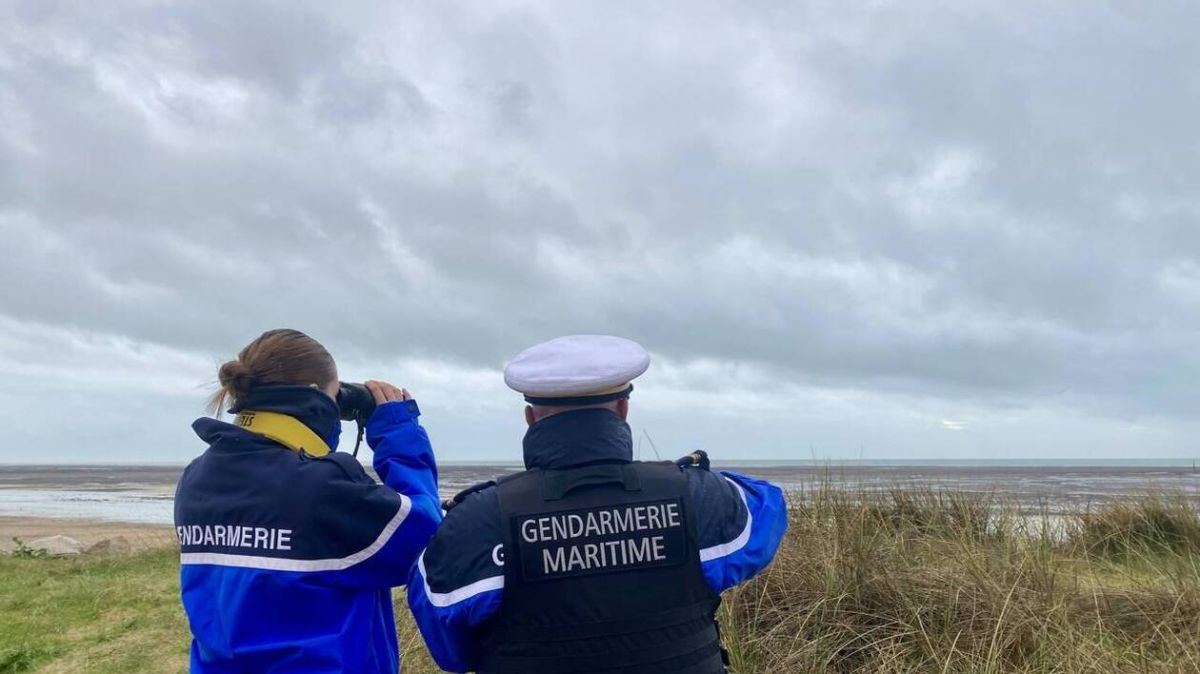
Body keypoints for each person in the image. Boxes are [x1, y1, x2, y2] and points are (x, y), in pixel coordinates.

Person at [408, 335, 788, 674]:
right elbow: (767, 508)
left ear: (529, 418)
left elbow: (450, 651)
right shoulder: (700, 498)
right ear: (623, 410)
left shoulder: (475, 523)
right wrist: (679, 479)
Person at [175, 329, 441, 673]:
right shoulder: (323, 489)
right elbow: (426, 538)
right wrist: (398, 432)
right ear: (315, 399)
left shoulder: (197, 477)